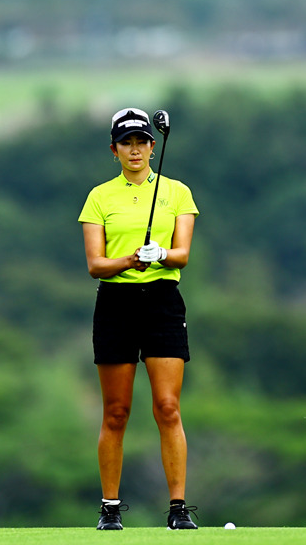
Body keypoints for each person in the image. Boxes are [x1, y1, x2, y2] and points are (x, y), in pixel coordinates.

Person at [78, 107, 200, 531]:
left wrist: (161, 253)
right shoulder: (99, 197)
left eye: (142, 141)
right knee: (116, 411)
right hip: (116, 303)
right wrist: (129, 259)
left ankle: (178, 509)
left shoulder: (177, 192)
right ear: (114, 150)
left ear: (153, 145)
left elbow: (183, 252)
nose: (136, 149)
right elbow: (96, 264)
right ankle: (110, 508)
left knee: (167, 407)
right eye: (126, 142)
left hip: (163, 302)